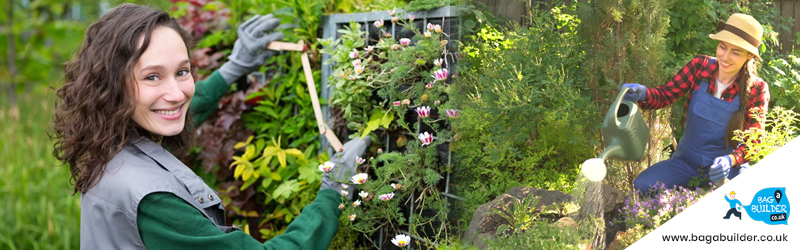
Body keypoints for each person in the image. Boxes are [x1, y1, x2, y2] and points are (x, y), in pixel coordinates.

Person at [51, 3, 368, 249]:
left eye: (182, 71)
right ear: (111, 85)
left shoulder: (109, 141)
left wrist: (232, 70)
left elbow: (174, 110)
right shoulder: (154, 202)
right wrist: (333, 190)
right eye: (152, 76)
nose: (176, 93)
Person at [623, 13, 770, 194]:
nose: (725, 56)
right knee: (643, 186)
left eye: (736, 52)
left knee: (748, 196)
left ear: (749, 56)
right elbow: (664, 95)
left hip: (728, 170)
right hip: (685, 164)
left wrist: (729, 160)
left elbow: (753, 142)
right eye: (722, 47)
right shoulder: (700, 66)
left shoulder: (756, 89)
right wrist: (643, 93)